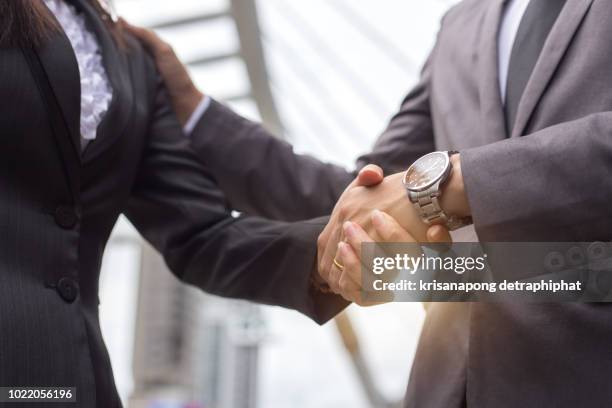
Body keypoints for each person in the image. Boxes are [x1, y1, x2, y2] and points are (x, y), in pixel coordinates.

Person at [128, 0, 612, 406]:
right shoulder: (461, 23)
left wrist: (452, 185)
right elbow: (361, 200)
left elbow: (419, 194)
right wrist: (196, 112)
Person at [0, 1, 439, 407]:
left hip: (73, 381)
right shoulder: (460, 32)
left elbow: (200, 233)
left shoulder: (129, 60)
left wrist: (339, 257)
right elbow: (373, 194)